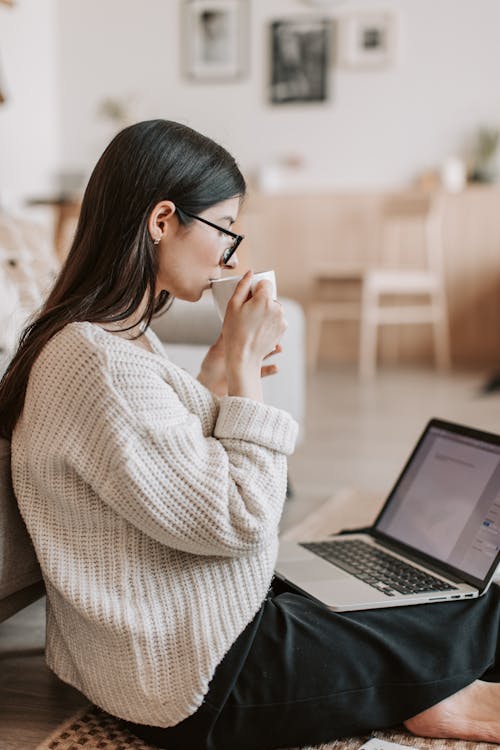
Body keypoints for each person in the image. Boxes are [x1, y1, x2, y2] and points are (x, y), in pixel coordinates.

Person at [2, 119, 500, 750]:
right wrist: (244, 373)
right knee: (481, 608)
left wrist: (215, 371)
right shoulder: (96, 360)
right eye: (224, 228)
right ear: (162, 221)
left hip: (180, 639)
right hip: (202, 678)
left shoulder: (101, 340)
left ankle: (429, 688)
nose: (231, 254)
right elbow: (240, 518)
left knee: (392, 590)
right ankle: (438, 694)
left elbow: (169, 472)